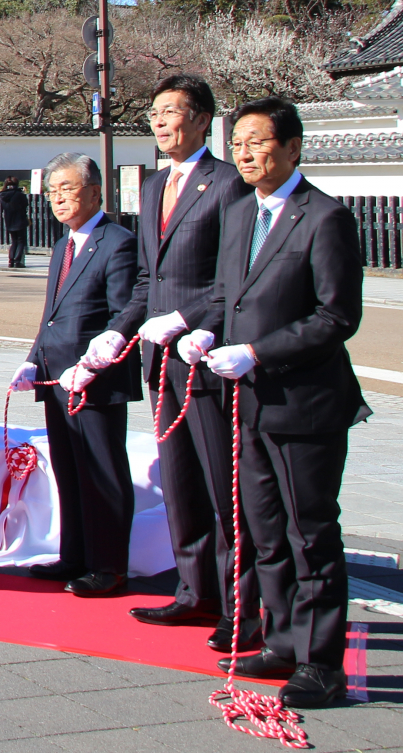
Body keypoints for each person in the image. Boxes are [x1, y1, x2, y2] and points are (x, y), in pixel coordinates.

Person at [180, 96, 366, 708]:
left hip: (304, 403)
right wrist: (204, 329)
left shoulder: (324, 217)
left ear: (292, 147)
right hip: (248, 403)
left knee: (309, 530)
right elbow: (226, 293)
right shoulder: (239, 214)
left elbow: (336, 316)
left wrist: (258, 352)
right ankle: (282, 639)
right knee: (263, 530)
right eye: (239, 144)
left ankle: (322, 662)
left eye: (259, 142)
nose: (246, 153)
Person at [108, 77, 255, 645]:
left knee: (225, 487)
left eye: (171, 112)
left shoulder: (227, 183)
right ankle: (194, 592)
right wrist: (117, 333)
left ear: (202, 120)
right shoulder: (152, 186)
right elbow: (149, 278)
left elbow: (233, 277)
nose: (159, 121)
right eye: (153, 111)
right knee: (181, 481)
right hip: (159, 358)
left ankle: (239, 606)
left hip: (205, 355)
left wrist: (194, 321)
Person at [8, 152, 139, 597]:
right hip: (56, 378)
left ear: (95, 191)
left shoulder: (116, 241)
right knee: (68, 469)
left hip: (95, 380)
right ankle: (75, 554)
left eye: (67, 188)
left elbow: (123, 315)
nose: (58, 198)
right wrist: (33, 359)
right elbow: (53, 315)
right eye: (52, 191)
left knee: (102, 472)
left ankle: (109, 567)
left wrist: (93, 364)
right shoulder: (65, 245)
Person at [0, 176, 30, 269]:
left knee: (14, 241)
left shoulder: (3, 195)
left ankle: (11, 260)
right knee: (21, 241)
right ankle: (17, 260)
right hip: (20, 219)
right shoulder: (19, 195)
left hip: (9, 220)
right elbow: (25, 204)